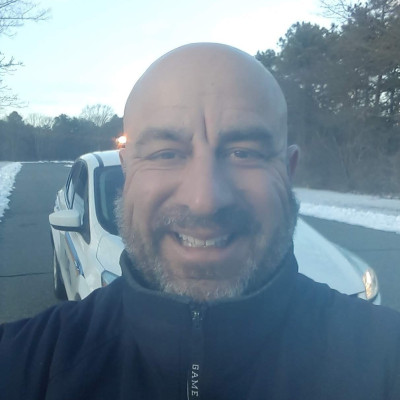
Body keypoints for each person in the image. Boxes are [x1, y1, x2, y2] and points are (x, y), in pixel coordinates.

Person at [1, 43, 399, 400]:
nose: (204, 200)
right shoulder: (23, 364)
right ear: (127, 174)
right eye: (166, 154)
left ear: (288, 172)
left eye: (244, 152)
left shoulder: (385, 359)